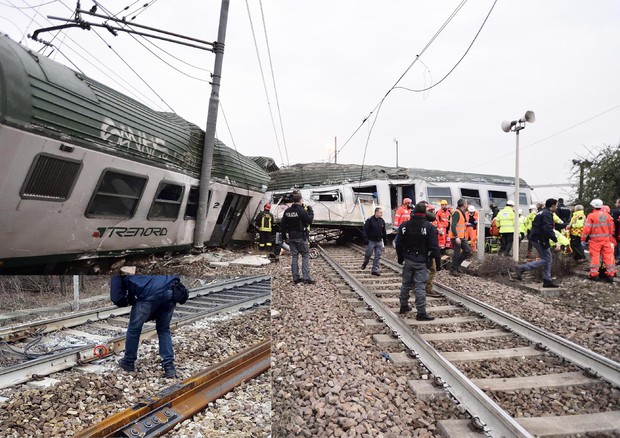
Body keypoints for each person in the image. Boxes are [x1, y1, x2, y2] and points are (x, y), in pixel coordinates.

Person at [111, 274, 180, 378]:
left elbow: (116, 296)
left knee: (134, 329)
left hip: (147, 293)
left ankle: (128, 362)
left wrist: (125, 301)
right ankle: (169, 366)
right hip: (170, 290)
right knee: (164, 329)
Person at [396, 202, 441, 320]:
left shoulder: (405, 225)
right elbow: (434, 247)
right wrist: (437, 262)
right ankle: (421, 313)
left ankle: (403, 305)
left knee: (406, 283)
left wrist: (400, 257)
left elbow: (399, 243)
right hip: (421, 260)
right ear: (425, 213)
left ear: (413, 212)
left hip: (408, 258)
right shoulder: (429, 227)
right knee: (420, 286)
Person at [514, 198, 560, 288]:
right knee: (547, 259)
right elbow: (548, 229)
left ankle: (547, 280)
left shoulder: (541, 212)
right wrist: (556, 241)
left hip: (536, 237)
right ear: (553, 205)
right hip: (540, 239)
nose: (557, 207)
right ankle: (523, 268)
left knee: (548, 259)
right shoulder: (547, 214)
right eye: (556, 205)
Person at [281, 193, 315, 284]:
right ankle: (306, 278)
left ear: (293, 201)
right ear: (300, 200)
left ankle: (295, 278)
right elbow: (309, 220)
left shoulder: (287, 211)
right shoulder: (301, 210)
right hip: (301, 236)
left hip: (291, 237)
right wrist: (310, 211)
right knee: (305, 255)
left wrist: (284, 236)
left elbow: (283, 225)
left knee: (294, 256)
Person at [581, 199, 616, 282]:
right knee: (608, 257)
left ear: (593, 206)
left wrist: (583, 238)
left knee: (595, 257)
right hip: (606, 240)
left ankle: (594, 274)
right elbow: (612, 228)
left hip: (595, 241)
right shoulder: (607, 215)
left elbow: (587, 229)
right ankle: (610, 274)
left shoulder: (591, 216)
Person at [362, 207, 387, 276]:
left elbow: (384, 232)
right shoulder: (370, 220)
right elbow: (365, 230)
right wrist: (365, 239)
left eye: (382, 213)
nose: (382, 214)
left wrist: (385, 242)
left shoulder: (382, 221)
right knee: (368, 255)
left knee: (377, 256)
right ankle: (365, 263)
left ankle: (374, 270)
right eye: (380, 212)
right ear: (376, 212)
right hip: (371, 241)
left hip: (379, 241)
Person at [424, 204, 443, 298]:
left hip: (419, 251)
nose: (433, 212)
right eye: (431, 210)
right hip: (428, 250)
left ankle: (416, 286)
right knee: (432, 269)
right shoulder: (428, 224)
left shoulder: (422, 222)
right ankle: (428, 288)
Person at [448, 198, 471, 276]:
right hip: (456, 237)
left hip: (461, 236)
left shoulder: (461, 212)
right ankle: (453, 270)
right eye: (466, 203)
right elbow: (453, 225)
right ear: (463, 204)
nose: (467, 205)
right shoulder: (457, 213)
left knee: (467, 250)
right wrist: (456, 237)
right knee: (457, 253)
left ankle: (457, 266)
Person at [612, 198, 620, 264]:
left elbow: (614, 221)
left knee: (618, 243)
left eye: (617, 203)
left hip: (618, 230)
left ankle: (617, 255)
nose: (616, 204)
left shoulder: (616, 211)